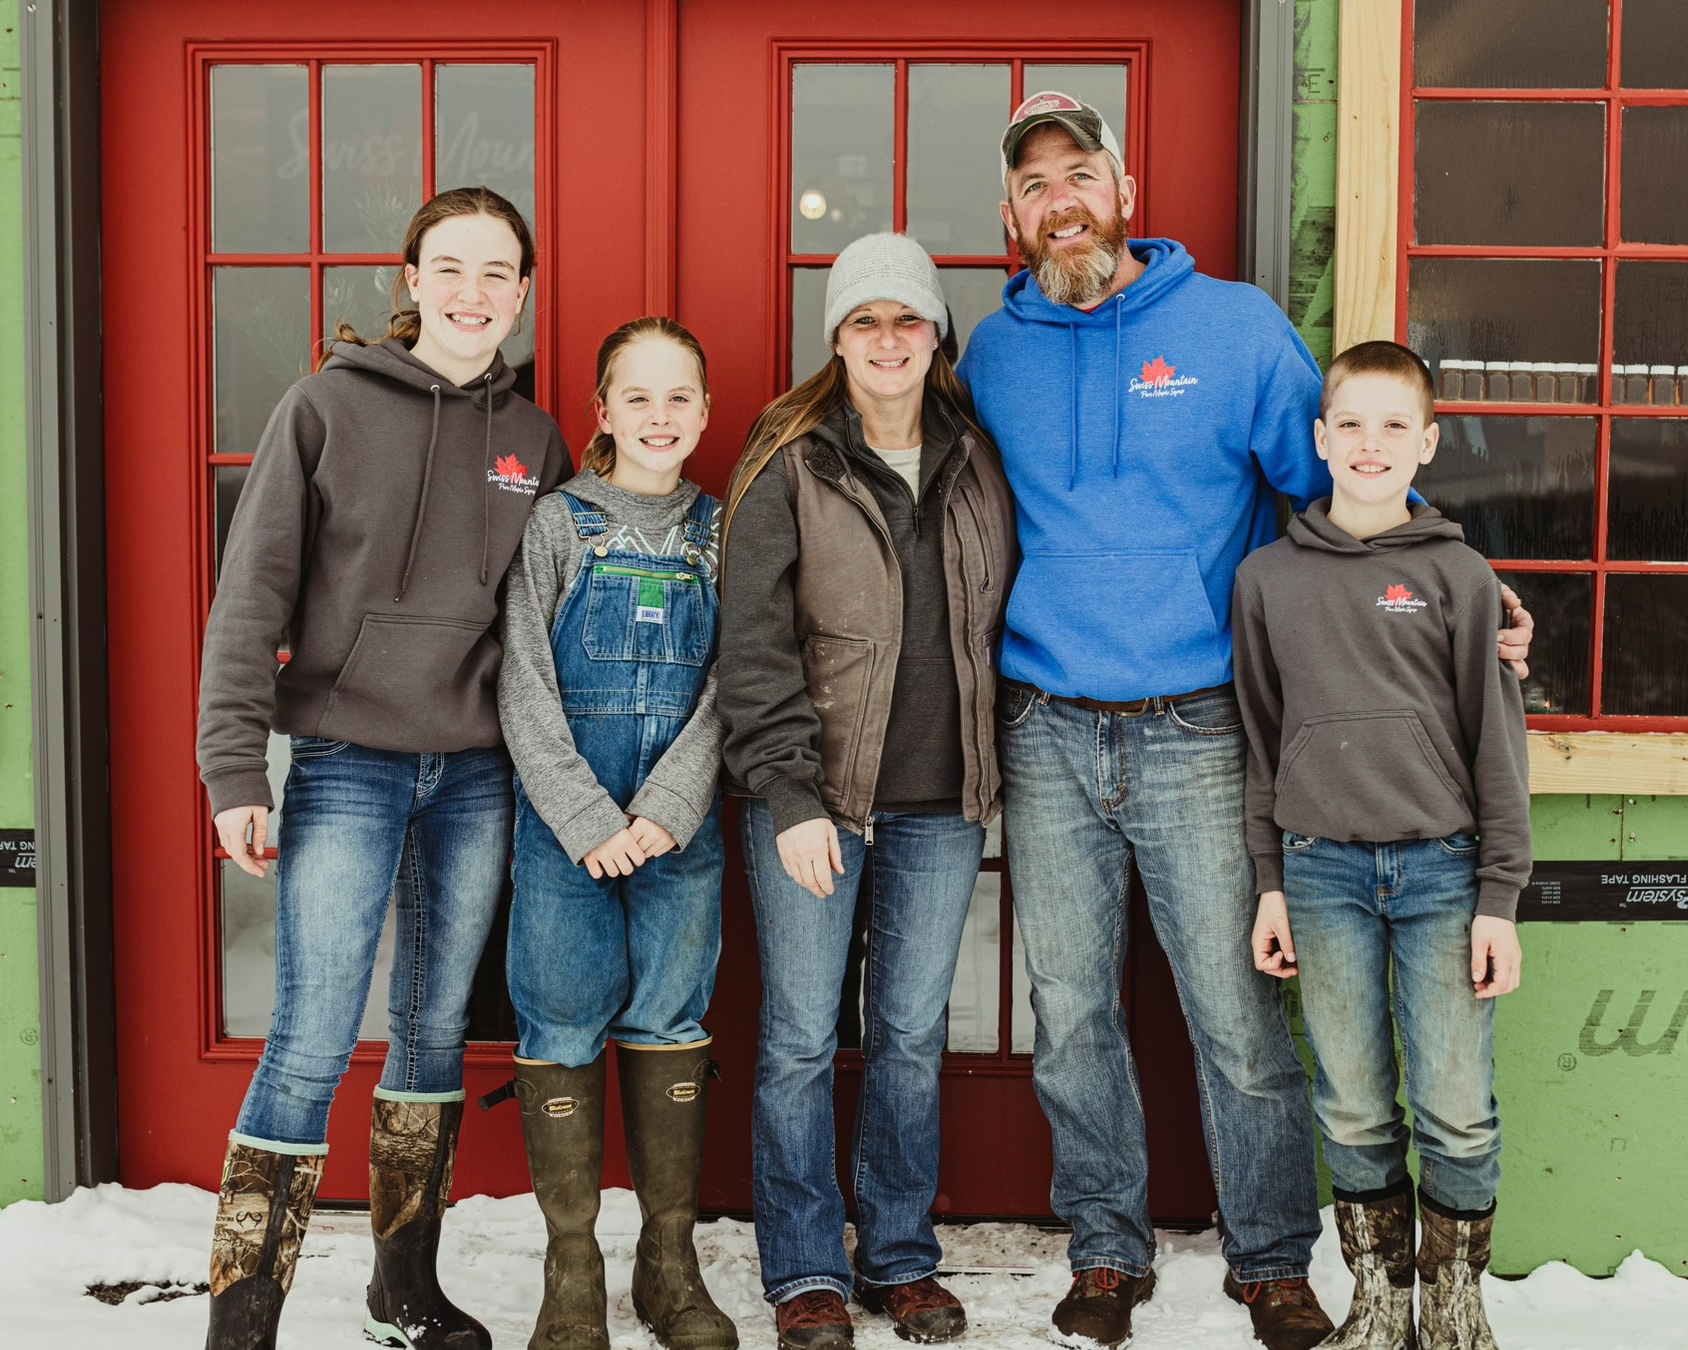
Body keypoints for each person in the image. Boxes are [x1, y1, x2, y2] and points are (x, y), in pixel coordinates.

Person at [954, 92, 1534, 1350]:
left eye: (1079, 173)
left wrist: (1466, 594)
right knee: (1071, 1010)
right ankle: (1105, 1249)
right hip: (1047, 724)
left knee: (1234, 1012)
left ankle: (1270, 1257)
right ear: (1011, 217)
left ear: (1123, 191)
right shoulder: (989, 357)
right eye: (1035, 185)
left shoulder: (1234, 330)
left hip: (1200, 725)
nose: (1061, 200)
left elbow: (1349, 490)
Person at [196, 186, 571, 1350]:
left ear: (523, 290)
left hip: (472, 774)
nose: (472, 292)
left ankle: (402, 1291)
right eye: (448, 267)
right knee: (310, 1033)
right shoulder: (324, 409)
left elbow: (542, 622)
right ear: (410, 280)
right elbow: (249, 597)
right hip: (350, 761)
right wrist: (234, 771)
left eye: (496, 271)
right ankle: (242, 1317)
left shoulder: (538, 439)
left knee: (432, 1030)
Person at [718, 232, 1016, 1350]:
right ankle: (803, 1270)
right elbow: (749, 647)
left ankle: (898, 1255)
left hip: (942, 799)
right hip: (818, 799)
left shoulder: (979, 459)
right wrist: (789, 796)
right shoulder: (788, 460)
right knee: (798, 1036)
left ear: (935, 335)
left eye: (906, 320)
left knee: (906, 1033)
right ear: (835, 341)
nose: (886, 341)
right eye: (863, 322)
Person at [1236, 340, 1527, 1350]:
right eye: (1349, 423)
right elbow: (1259, 744)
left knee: (1454, 1104)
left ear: (1429, 443)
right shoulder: (1267, 579)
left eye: (1393, 425)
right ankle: (1376, 1301)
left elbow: (1498, 746)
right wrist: (1270, 884)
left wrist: (1500, 897)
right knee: (1353, 1103)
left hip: (1443, 872)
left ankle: (1451, 1309)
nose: (1370, 444)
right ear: (1319, 438)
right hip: (1321, 872)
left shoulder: (1459, 575)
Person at [499, 317, 735, 1350]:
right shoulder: (556, 526)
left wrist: (667, 810)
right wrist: (589, 819)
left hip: (678, 833)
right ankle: (572, 1272)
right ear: (601, 414)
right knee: (558, 1024)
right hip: (566, 833)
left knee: (672, 1019)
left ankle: (668, 1263)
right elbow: (521, 681)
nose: (658, 416)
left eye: (679, 396)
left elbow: (737, 685)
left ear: (705, 412)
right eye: (636, 397)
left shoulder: (720, 530)